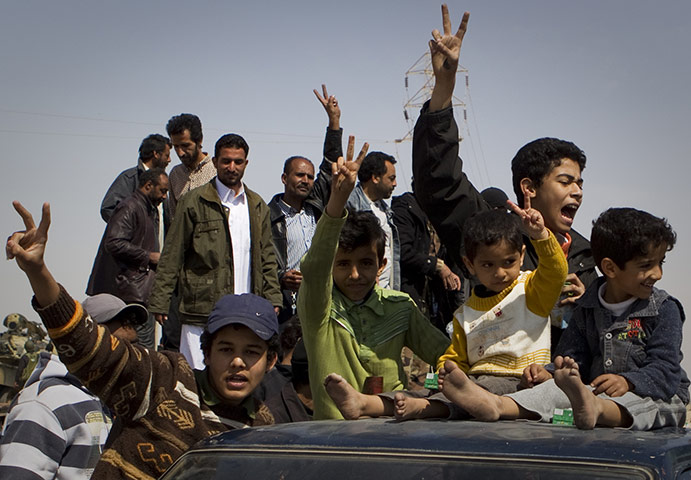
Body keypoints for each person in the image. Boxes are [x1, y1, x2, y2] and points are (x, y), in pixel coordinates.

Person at [6, 202, 285, 478]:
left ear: (270, 360)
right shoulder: (165, 380)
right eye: (226, 349)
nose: (237, 361)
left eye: (251, 352)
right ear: (207, 352)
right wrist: (37, 271)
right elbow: (89, 344)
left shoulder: (263, 430)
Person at [412, 6, 598, 349]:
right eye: (566, 181)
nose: (577, 192)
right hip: (497, 388)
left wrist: (590, 306)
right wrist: (443, 90)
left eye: (580, 183)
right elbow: (439, 183)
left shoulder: (587, 254)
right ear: (529, 187)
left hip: (562, 389)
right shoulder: (493, 233)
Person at [440, 207, 689, 430]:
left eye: (660, 263)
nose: (657, 274)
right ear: (611, 268)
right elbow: (574, 355)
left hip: (657, 395)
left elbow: (665, 371)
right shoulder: (588, 308)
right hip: (593, 392)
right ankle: (497, 405)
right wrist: (550, 373)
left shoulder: (663, 309)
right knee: (550, 391)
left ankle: (597, 409)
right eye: (646, 266)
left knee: (649, 408)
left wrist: (628, 381)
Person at [324, 197, 567, 420]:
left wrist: (541, 236)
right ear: (470, 265)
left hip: (517, 380)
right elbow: (455, 357)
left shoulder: (531, 292)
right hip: (474, 383)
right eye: (488, 264)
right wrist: (446, 370)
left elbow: (555, 272)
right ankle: (366, 404)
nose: (500, 272)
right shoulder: (466, 314)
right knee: (428, 393)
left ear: (522, 256)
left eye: (508, 262)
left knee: (471, 394)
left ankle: (428, 409)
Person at [297, 136, 449, 420]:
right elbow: (315, 266)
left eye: (365, 263)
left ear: (382, 265)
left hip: (393, 440)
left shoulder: (400, 308)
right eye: (342, 264)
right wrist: (337, 201)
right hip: (334, 443)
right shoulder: (320, 310)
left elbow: (444, 353)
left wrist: (449, 374)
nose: (355, 274)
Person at [149, 133, 282, 369]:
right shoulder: (193, 202)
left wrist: (272, 298)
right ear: (215, 162)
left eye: (238, 162)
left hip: (245, 312)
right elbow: (172, 254)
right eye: (226, 161)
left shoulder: (256, 205)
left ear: (246, 164)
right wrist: (160, 300)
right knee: (197, 379)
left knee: (235, 379)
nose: (232, 167)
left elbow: (267, 258)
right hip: (201, 312)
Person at [0, 294, 147, 480]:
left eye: (133, 346)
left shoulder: (115, 399)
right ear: (85, 340)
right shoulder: (43, 405)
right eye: (118, 346)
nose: (132, 357)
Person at [315, 85, 401, 290]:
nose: (396, 184)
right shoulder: (348, 203)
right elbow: (331, 169)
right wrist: (334, 124)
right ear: (375, 178)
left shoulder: (385, 211)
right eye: (391, 178)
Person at [86, 168, 169, 349]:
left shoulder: (148, 210)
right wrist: (148, 256)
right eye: (163, 190)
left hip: (139, 292)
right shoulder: (130, 207)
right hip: (129, 292)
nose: (165, 196)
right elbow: (114, 242)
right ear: (148, 186)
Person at [392, 187, 462, 331]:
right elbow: (403, 251)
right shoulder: (406, 208)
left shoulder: (439, 214)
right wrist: (437, 266)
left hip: (435, 299)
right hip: (412, 293)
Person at [100, 133, 172, 232]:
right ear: (156, 154)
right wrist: (132, 231)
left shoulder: (162, 182)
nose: (169, 160)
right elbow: (108, 208)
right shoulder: (129, 179)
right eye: (166, 155)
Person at [166, 113, 217, 219]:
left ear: (199, 141)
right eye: (176, 147)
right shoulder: (175, 175)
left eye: (185, 146)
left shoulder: (216, 171)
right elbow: (173, 218)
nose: (180, 153)